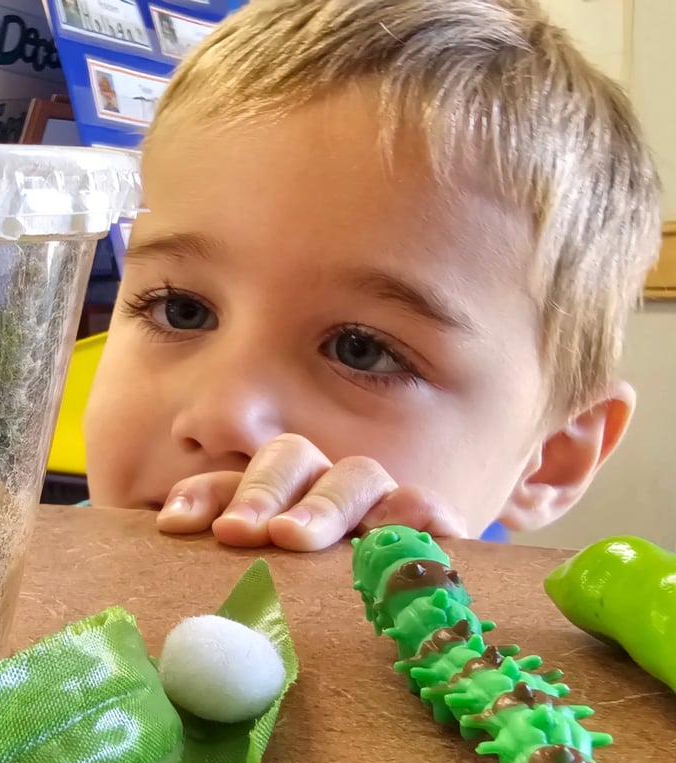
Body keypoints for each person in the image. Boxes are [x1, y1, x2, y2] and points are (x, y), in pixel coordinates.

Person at [81, 0, 662, 552]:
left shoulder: (500, 654)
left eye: (362, 351)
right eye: (181, 308)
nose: (221, 415)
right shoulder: (14, 580)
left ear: (553, 455)